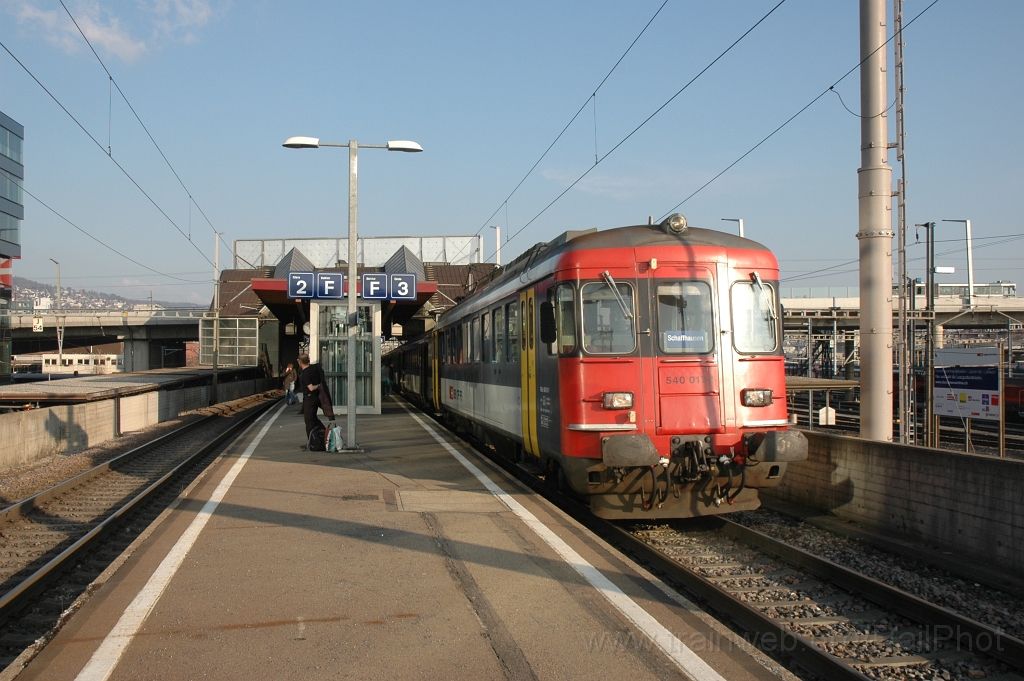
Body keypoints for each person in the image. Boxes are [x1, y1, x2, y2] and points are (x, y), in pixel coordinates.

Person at [297, 354, 335, 441]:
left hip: (310, 399)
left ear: (300, 362)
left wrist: (317, 386)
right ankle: (325, 434)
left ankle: (313, 441)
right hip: (316, 397)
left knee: (309, 420)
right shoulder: (314, 369)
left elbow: (311, 388)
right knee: (313, 418)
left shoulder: (305, 373)